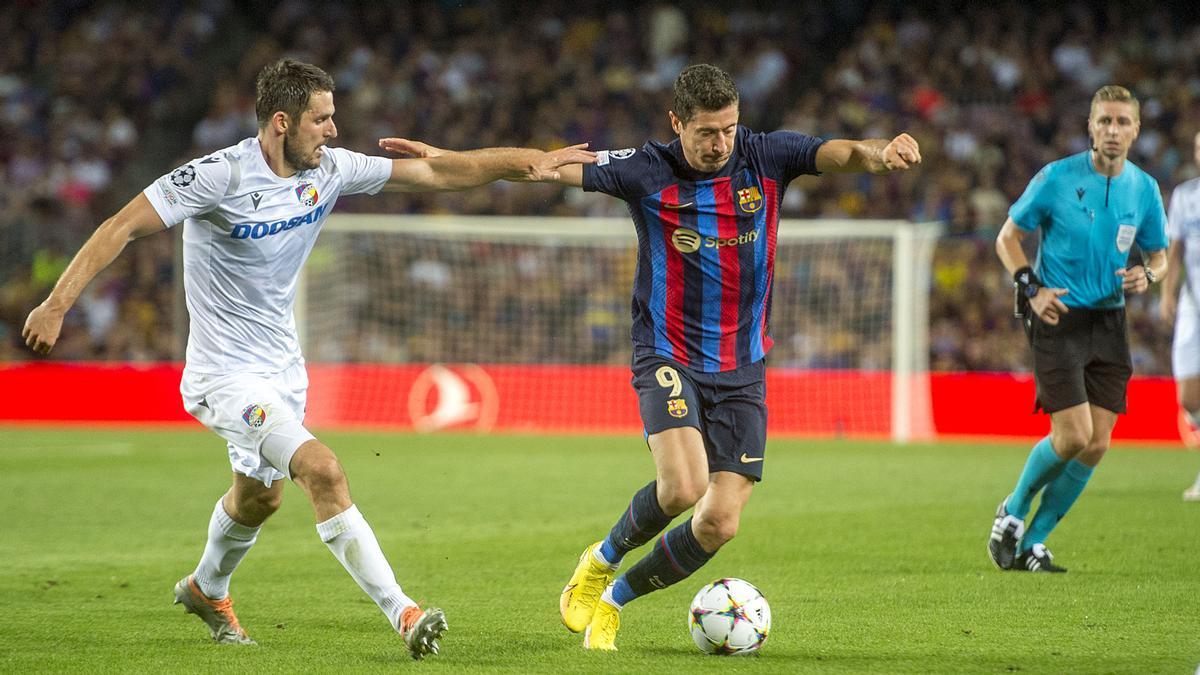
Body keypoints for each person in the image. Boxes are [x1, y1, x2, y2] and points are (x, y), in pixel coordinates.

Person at [22, 58, 593, 658]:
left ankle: (205, 588)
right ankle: (404, 612)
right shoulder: (218, 176)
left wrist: (529, 162)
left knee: (258, 498)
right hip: (224, 375)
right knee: (322, 469)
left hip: (284, 370)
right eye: (321, 120)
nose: (333, 131)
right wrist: (57, 305)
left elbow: (437, 174)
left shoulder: (334, 169)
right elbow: (120, 227)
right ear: (280, 122)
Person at [385, 62, 921, 650]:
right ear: (677, 123)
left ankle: (614, 601)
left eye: (729, 130)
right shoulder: (644, 170)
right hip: (666, 349)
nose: (720, 144)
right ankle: (599, 560)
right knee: (683, 487)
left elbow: (840, 153)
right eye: (706, 132)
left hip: (742, 363)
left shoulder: (767, 156)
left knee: (720, 522)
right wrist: (445, 156)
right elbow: (541, 166)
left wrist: (880, 151)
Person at [988, 85, 1168, 573]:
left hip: (1110, 318)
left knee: (1099, 442)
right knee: (1073, 436)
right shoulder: (1057, 178)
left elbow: (1160, 255)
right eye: (1104, 121)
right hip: (1056, 313)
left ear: (1136, 130)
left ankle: (1035, 543)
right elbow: (1009, 237)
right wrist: (1030, 286)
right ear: (1091, 126)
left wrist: (1148, 274)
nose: (1113, 131)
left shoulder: (1144, 190)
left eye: (1122, 122)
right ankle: (1014, 509)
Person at [1161, 131, 1200, 497]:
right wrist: (1167, 292)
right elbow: (1175, 249)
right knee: (1188, 395)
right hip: (1193, 301)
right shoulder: (1186, 196)